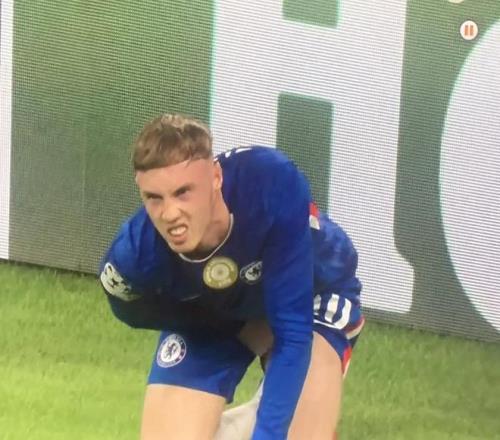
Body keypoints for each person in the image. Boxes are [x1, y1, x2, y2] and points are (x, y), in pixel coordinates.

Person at [99, 114, 365, 440]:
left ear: (215, 177)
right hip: (219, 310)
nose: (170, 214)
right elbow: (131, 311)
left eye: (183, 193)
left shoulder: (270, 183)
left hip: (311, 297)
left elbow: (293, 335)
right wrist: (223, 322)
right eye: (154, 198)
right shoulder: (134, 256)